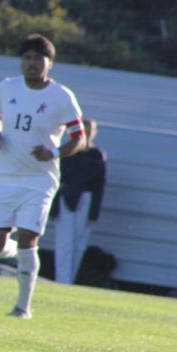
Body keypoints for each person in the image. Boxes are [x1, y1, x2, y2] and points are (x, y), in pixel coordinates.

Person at [0, 33, 84, 318]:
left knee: (29, 237)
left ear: (49, 63)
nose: (32, 63)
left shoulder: (62, 97)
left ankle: (22, 306)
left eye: (39, 58)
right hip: (4, 176)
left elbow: (79, 138)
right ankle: (21, 255)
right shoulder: (6, 87)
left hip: (39, 180)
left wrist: (53, 153)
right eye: (27, 57)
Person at [51, 118, 106, 284]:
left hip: (86, 198)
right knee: (64, 243)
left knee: (79, 244)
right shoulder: (68, 152)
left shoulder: (97, 155)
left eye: (90, 130)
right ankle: (62, 280)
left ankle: (70, 280)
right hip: (66, 196)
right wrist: (54, 207)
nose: (87, 133)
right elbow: (56, 179)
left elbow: (99, 186)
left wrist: (94, 213)